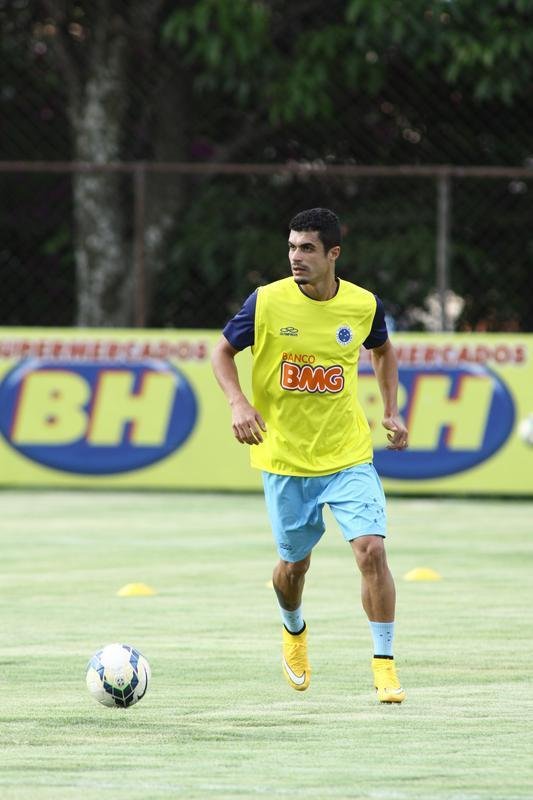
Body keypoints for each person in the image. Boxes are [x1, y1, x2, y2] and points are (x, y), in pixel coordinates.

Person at [211, 208, 408, 703]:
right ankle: (293, 628)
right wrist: (238, 402)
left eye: (307, 249)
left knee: (372, 550)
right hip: (284, 461)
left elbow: (382, 350)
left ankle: (384, 663)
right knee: (293, 569)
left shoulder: (363, 305)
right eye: (292, 248)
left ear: (333, 254)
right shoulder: (267, 302)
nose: (296, 257)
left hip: (347, 454)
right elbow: (219, 352)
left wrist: (391, 411)